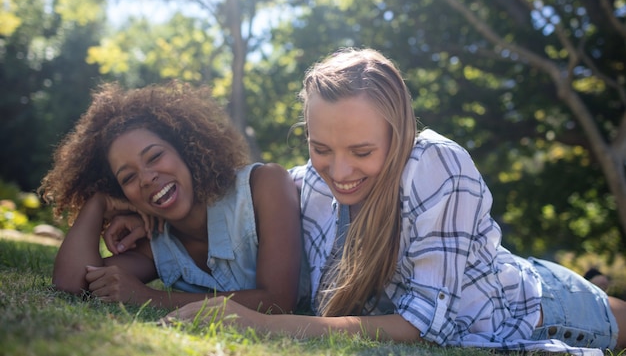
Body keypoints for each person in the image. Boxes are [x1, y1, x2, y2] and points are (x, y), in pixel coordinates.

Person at [164, 48, 626, 355]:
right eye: (321, 149)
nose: (340, 172)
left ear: (397, 132)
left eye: (362, 152)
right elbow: (228, 206)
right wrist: (127, 207)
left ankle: (597, 284)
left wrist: (261, 325)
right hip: (499, 275)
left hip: (549, 311)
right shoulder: (306, 185)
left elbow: (421, 327)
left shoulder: (435, 163)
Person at [39, 81, 301, 313]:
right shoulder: (156, 245)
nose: (146, 178)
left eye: (155, 157)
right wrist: (98, 202)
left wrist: (148, 298)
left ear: (187, 150)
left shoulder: (264, 185)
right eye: (128, 178)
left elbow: (278, 300)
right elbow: (72, 284)